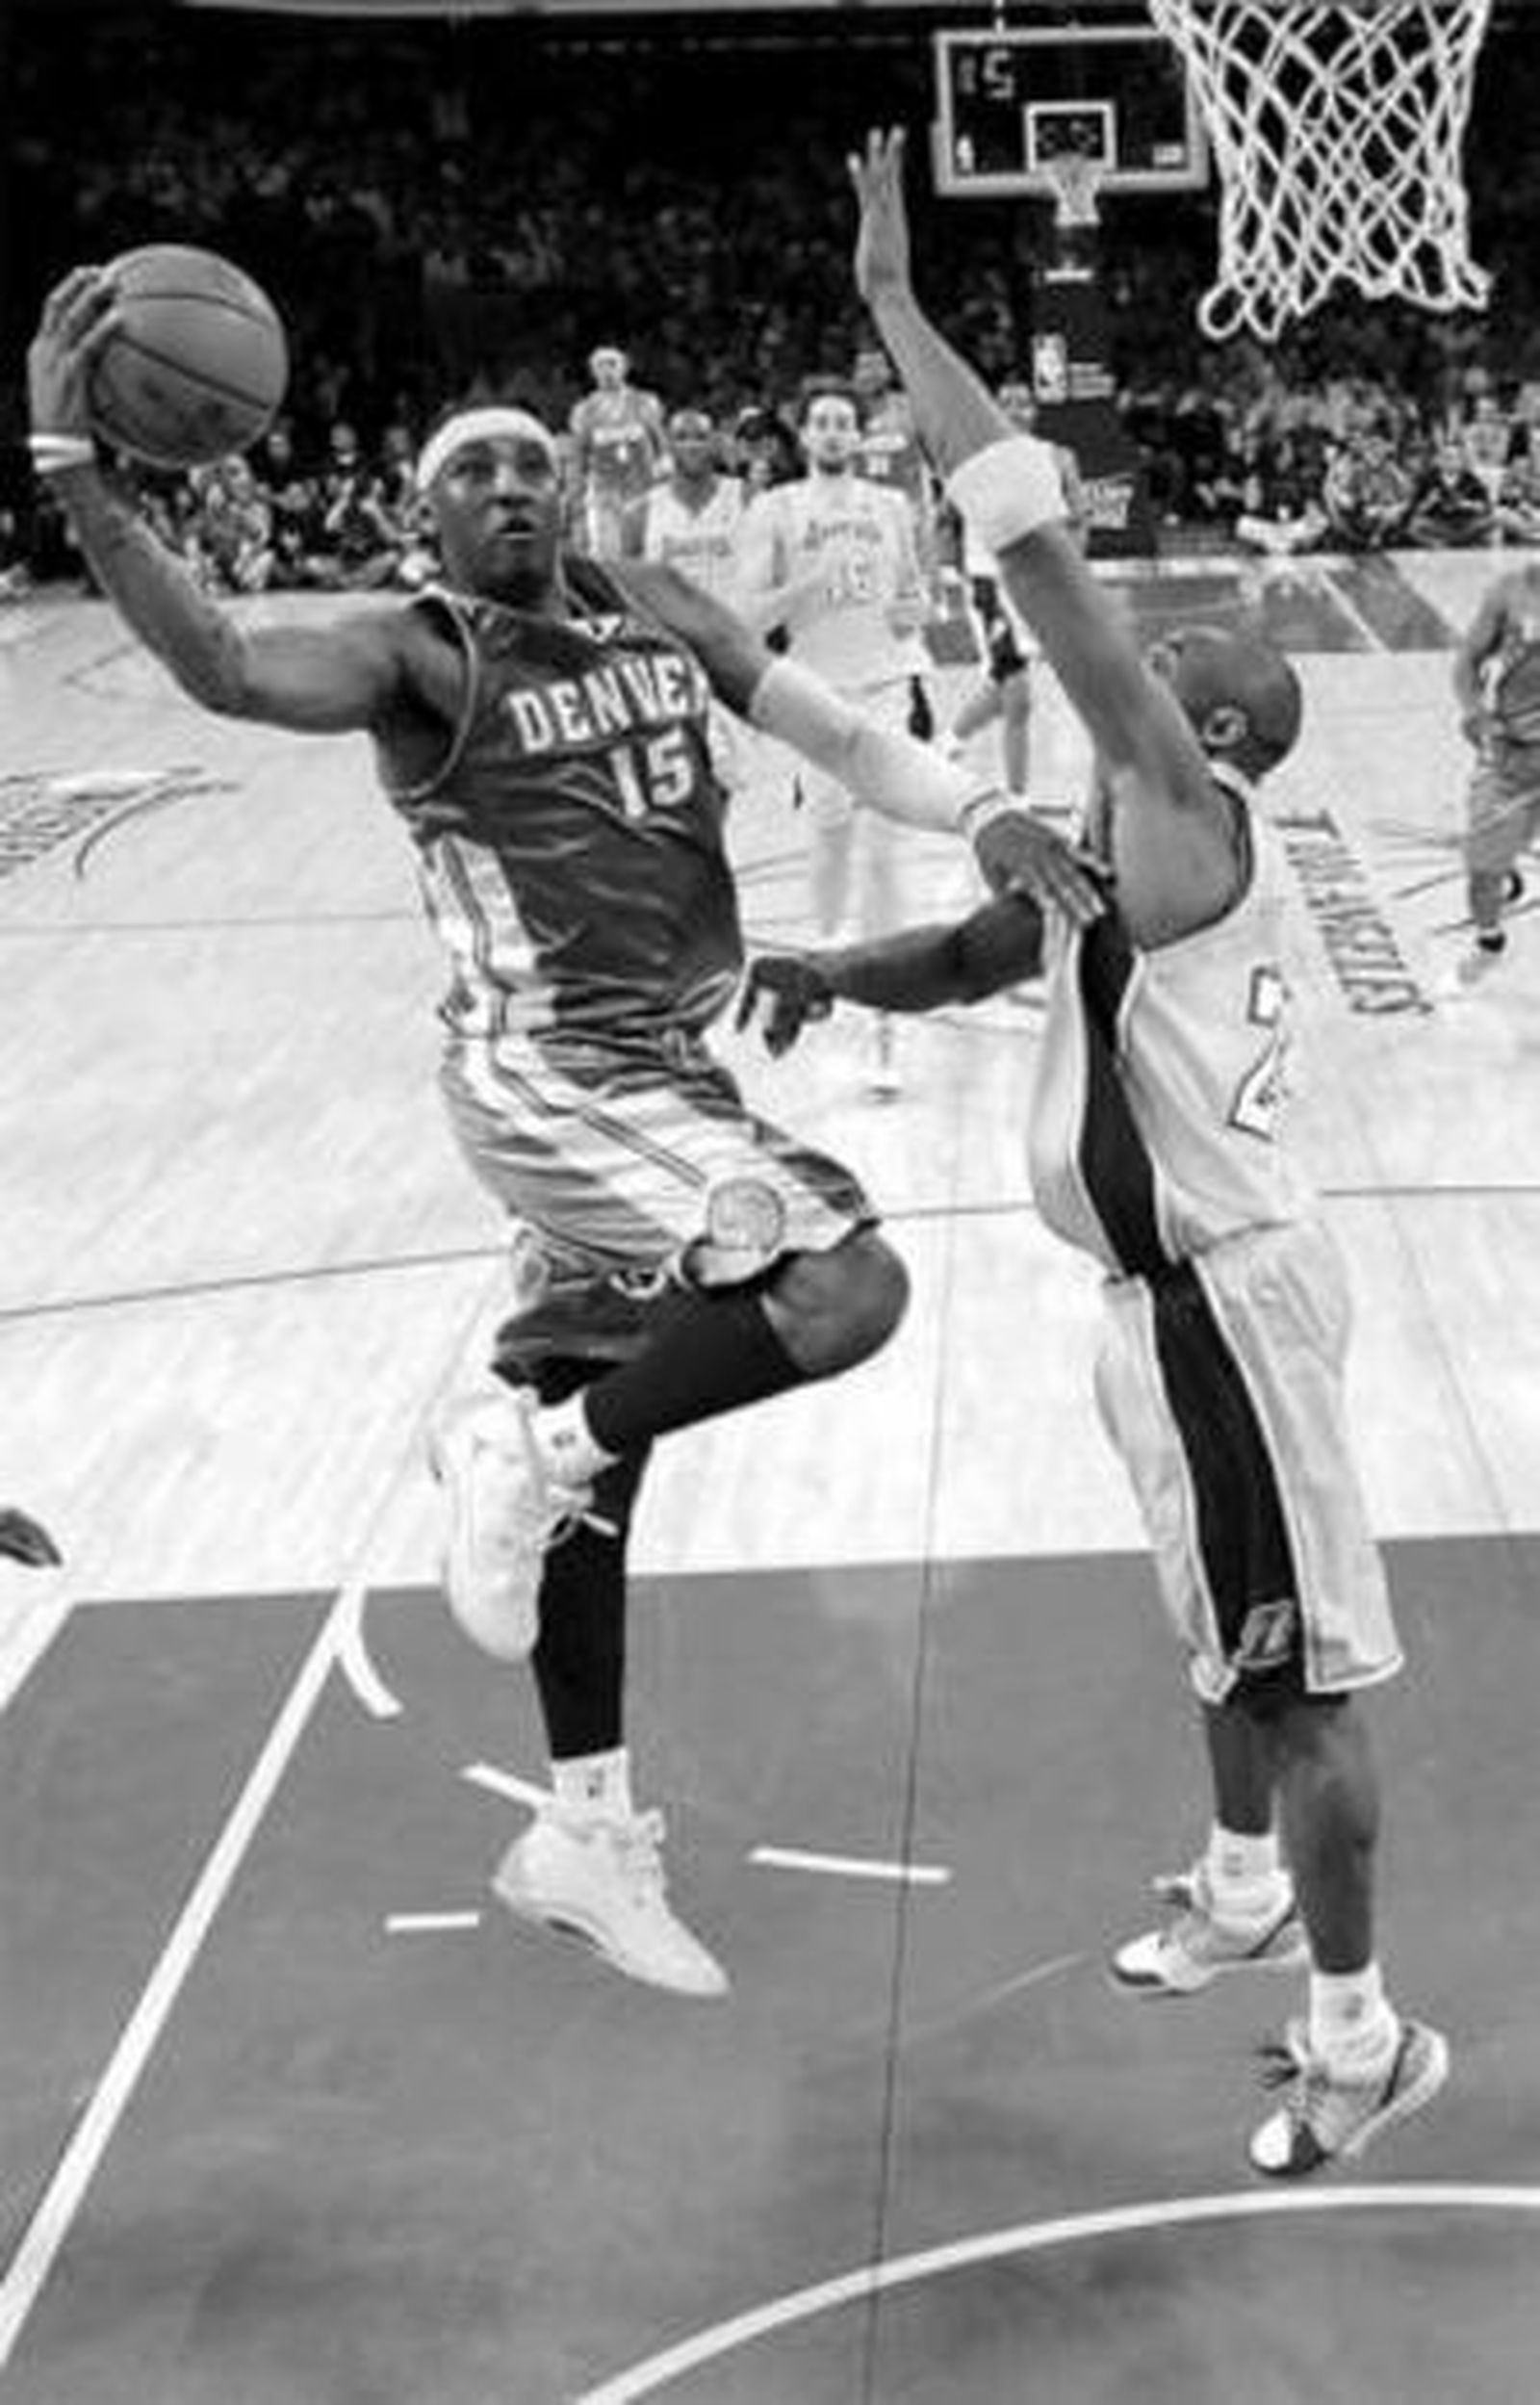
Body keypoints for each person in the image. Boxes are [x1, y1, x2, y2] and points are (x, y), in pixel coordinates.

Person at [29, 266, 1101, 2002]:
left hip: (664, 1071)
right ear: (429, 516)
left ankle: (584, 1828)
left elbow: (837, 730)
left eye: (532, 461)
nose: (514, 485)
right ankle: (520, 1455)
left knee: (606, 1448)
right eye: (475, 471)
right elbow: (226, 667)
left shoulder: (653, 601)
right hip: (545, 1071)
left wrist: (978, 811)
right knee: (843, 1286)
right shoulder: (417, 650)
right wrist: (76, 470)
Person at [737, 127, 1448, 2178]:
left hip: (1228, 1300)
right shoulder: (1115, 861)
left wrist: (896, 312)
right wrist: (831, 973)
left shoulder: (1189, 819)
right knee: (1220, 1626)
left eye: (1164, 669)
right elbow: (981, 949)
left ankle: (1361, 2038)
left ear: (1202, 733)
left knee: (1301, 1680)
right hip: (1155, 1306)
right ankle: (1239, 1888)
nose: (1137, 665)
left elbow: (1042, 567)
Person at [733, 379, 938, 1097]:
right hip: (814, 693)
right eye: (820, 421)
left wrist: (917, 609)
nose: (831, 432)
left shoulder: (891, 506)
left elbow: (915, 599)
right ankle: (821, 973)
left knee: (883, 855)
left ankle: (885, 1025)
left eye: (843, 422)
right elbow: (747, 619)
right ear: (804, 434)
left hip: (885, 688)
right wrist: (805, 584)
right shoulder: (775, 509)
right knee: (829, 840)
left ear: (860, 433)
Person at [942, 378, 1090, 795]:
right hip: (989, 583)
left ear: (1034, 410)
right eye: (1005, 402)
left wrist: (1070, 569)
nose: (1014, 410)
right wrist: (950, 571)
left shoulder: (1058, 457)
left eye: (1023, 402)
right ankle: (1017, 797)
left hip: (1035, 586)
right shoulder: (971, 460)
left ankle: (947, 742)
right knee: (1019, 693)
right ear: (992, 408)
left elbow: (1079, 519)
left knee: (1003, 687)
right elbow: (945, 519)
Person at [1444, 556, 1540, 993]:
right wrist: (1474, 714)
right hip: (1509, 759)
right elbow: (1467, 662)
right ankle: (1490, 944)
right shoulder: (1510, 590)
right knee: (1483, 873)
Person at [567, 346, 667, 561]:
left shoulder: (645, 402)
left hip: (641, 489)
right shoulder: (584, 410)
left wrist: (664, 470)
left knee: (643, 552)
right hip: (604, 492)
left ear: (625, 368)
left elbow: (661, 443)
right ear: (593, 371)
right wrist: (576, 493)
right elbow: (579, 455)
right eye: (600, 365)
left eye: (612, 364)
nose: (607, 370)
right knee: (608, 555)